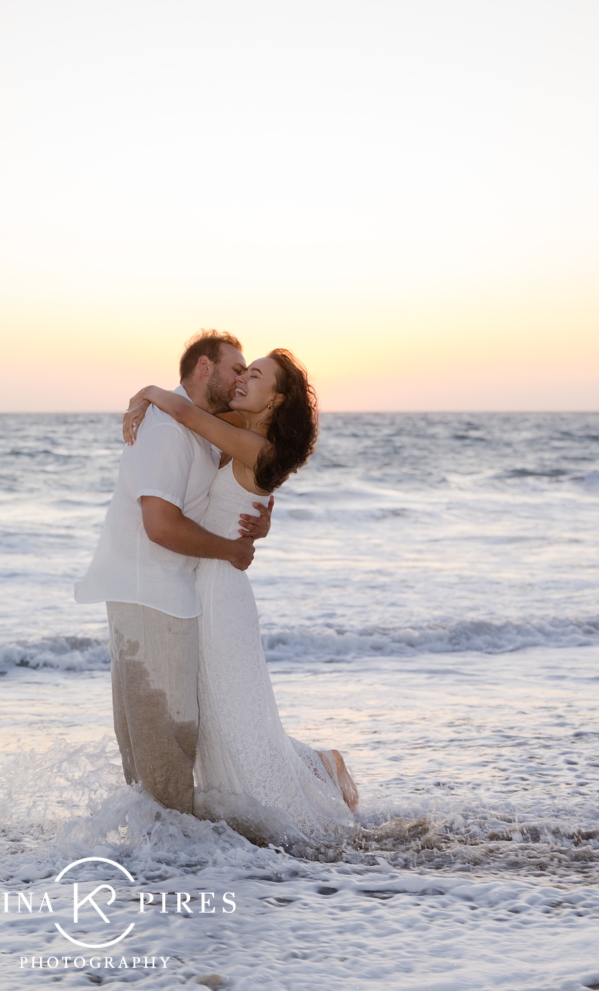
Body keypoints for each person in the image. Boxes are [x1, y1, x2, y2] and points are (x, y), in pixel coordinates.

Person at [122, 348, 358, 846]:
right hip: (208, 583)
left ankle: (301, 792)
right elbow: (196, 412)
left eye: (256, 376)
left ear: (276, 399)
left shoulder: (258, 447)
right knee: (225, 715)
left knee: (236, 718)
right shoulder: (245, 430)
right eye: (243, 371)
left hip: (221, 590)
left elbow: (185, 411)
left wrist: (146, 392)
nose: (244, 380)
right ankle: (318, 764)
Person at [75, 330, 269, 816]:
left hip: (160, 594)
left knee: (155, 752)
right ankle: (169, 874)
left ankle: (163, 869)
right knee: (163, 750)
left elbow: (237, 484)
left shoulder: (198, 428)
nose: (242, 376)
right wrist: (230, 550)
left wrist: (259, 514)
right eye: (235, 367)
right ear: (204, 367)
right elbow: (160, 526)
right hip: (152, 597)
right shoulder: (167, 429)